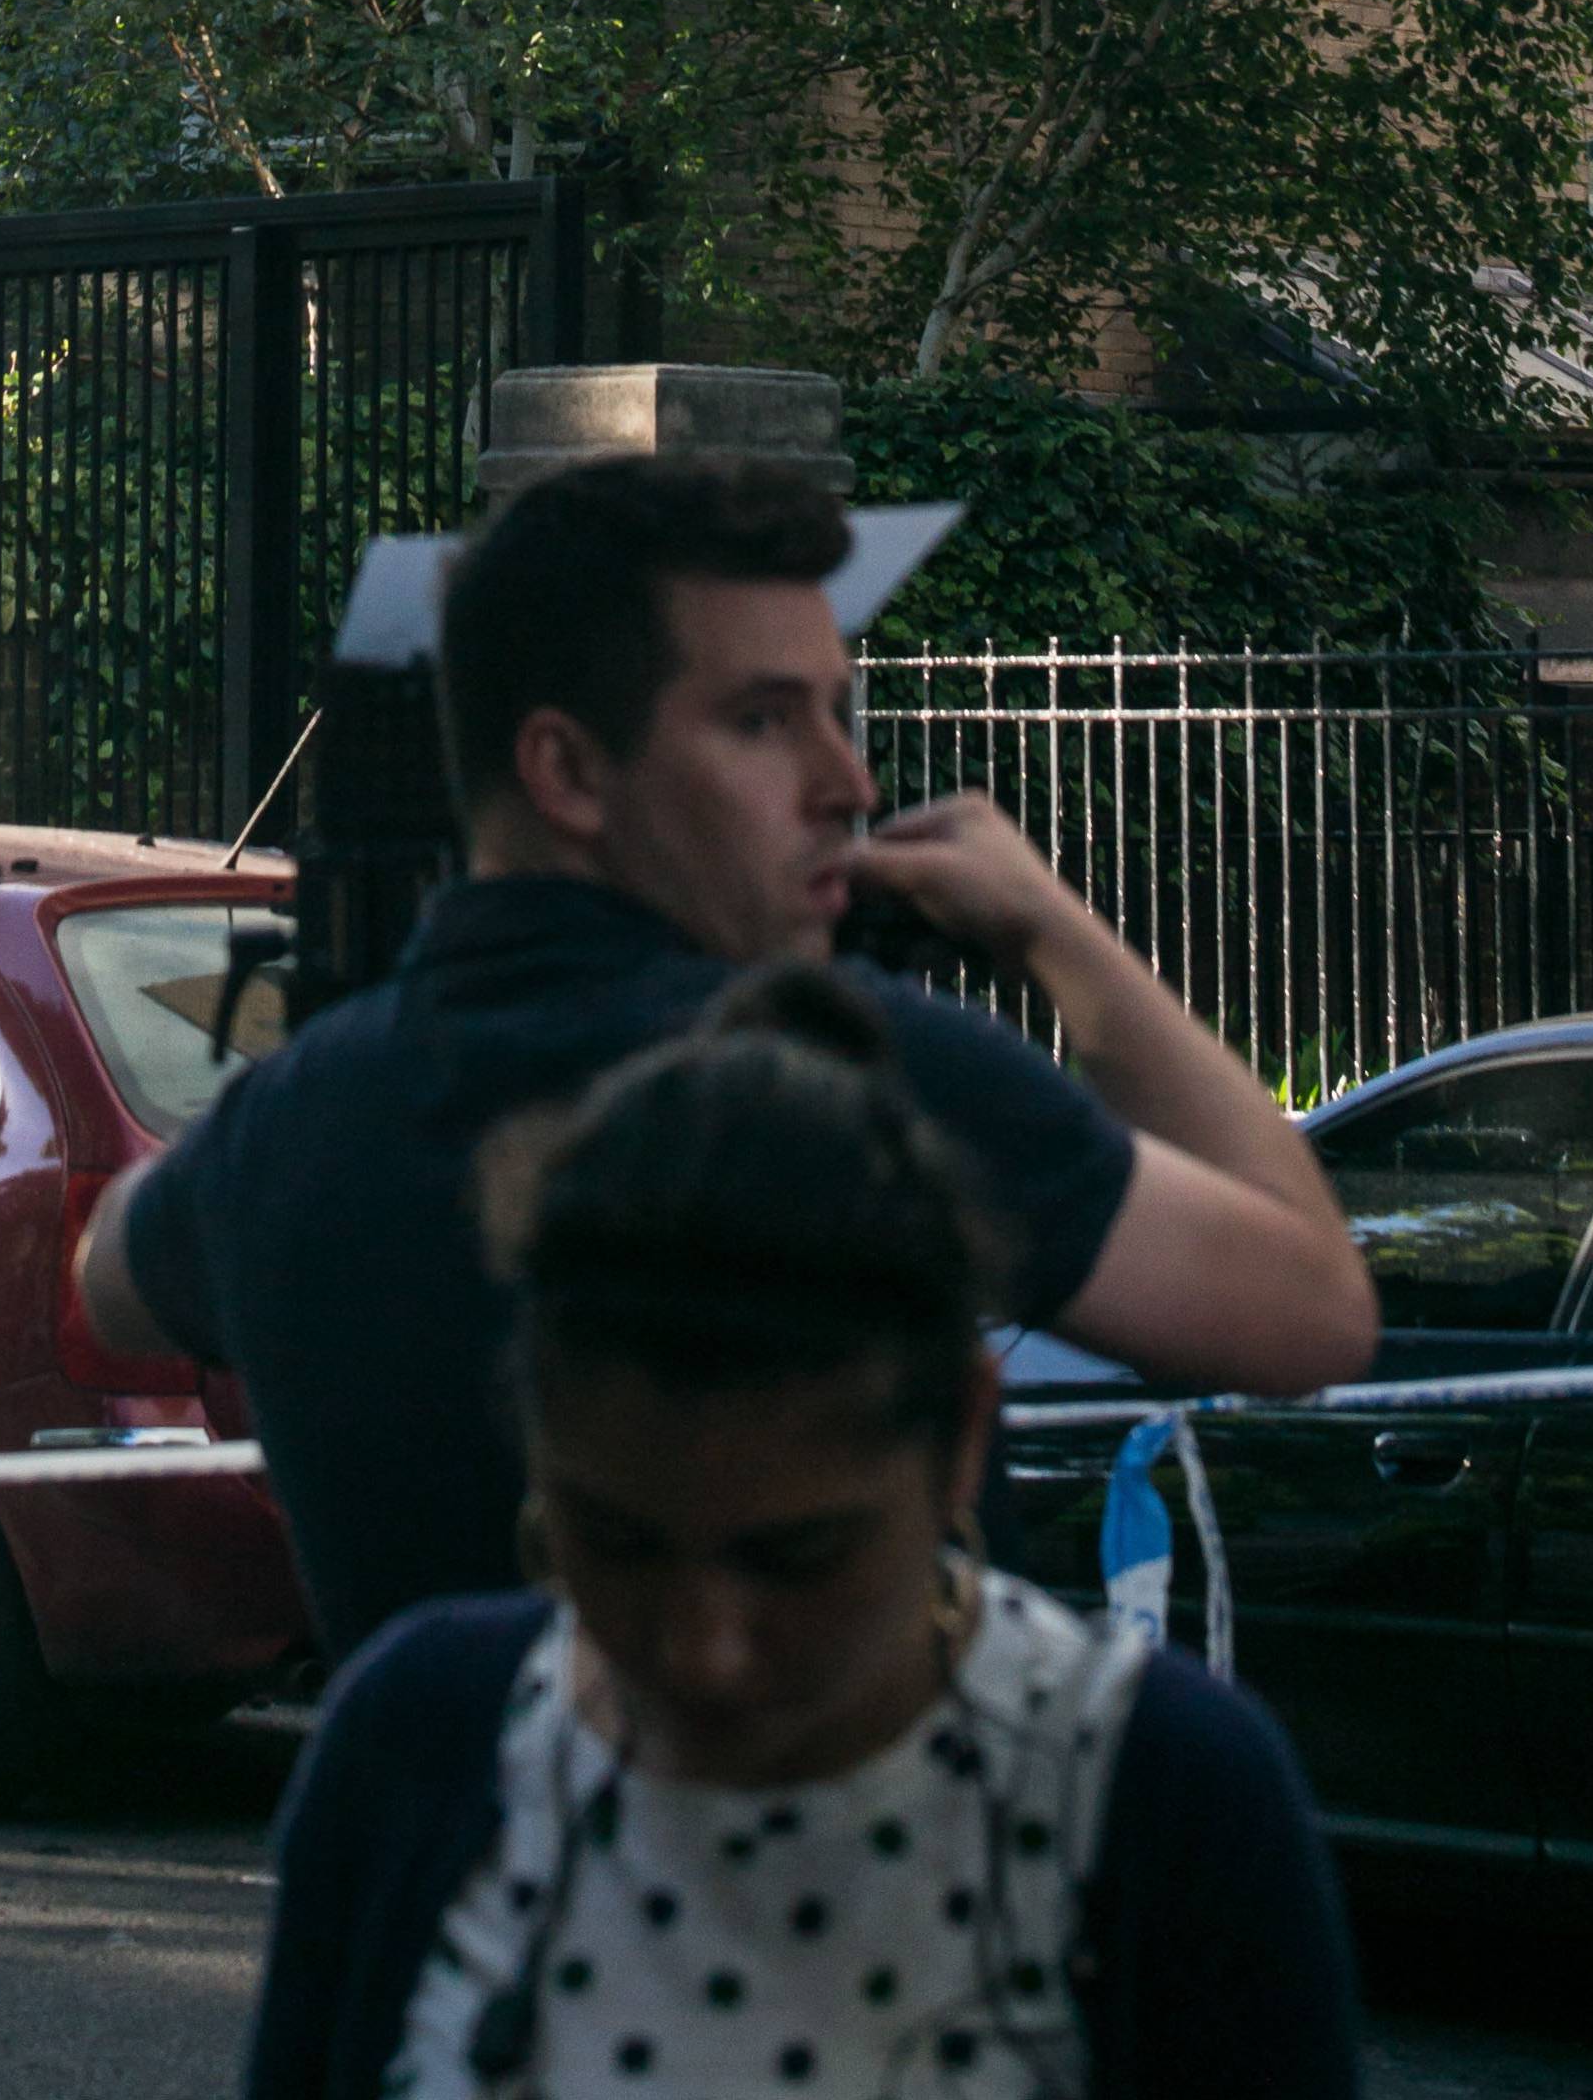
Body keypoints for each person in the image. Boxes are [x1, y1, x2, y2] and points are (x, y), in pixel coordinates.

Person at [79, 454, 1374, 1660]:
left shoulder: (291, 1126)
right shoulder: (856, 1076)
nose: (847, 780)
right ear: (568, 770)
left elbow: (109, 1274)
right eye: (765, 719)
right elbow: (1312, 1310)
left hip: (471, 1876)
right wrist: (1055, 929)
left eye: (837, 710)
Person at [244, 962, 1360, 2100]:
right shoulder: (419, 1748)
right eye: (616, 1543)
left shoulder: (1162, 1802)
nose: (704, 1651)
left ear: (964, 1439)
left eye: (799, 1558)